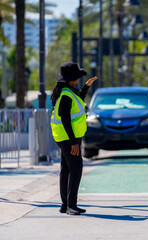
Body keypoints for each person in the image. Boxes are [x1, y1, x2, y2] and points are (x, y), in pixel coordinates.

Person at [50, 62, 97, 215]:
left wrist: (87, 87)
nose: (79, 80)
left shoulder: (68, 93)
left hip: (65, 137)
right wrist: (73, 142)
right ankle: (71, 205)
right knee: (76, 169)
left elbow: (79, 101)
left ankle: (65, 205)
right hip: (68, 138)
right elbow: (65, 119)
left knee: (66, 169)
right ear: (73, 79)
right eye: (77, 77)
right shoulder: (65, 95)